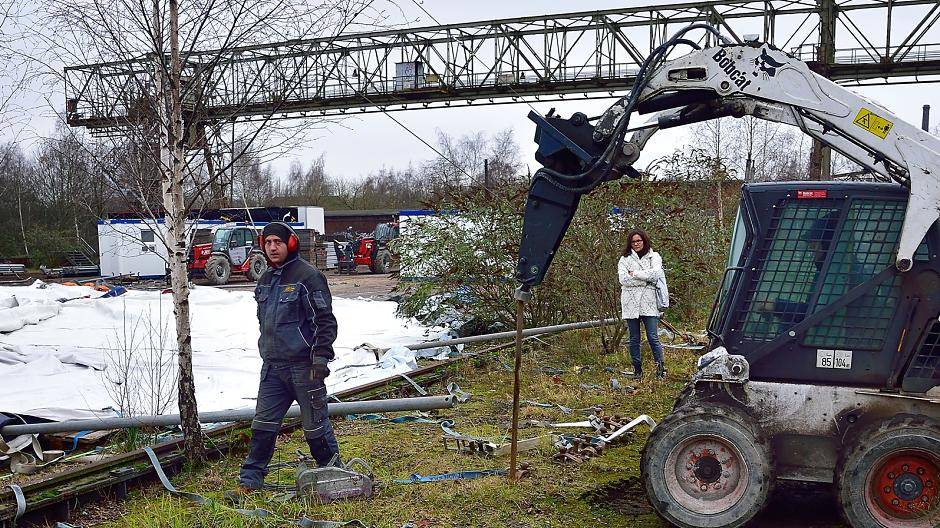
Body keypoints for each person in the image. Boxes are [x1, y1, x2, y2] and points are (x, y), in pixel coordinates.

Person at [236, 221, 340, 494]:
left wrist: (320, 359)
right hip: (272, 369)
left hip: (305, 368)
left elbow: (325, 322)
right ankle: (250, 483)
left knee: (315, 429)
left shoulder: (308, 277)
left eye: (278, 242)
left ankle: (334, 475)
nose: (272, 247)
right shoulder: (266, 280)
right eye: (268, 242)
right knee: (262, 427)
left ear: (290, 244)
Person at [618, 229, 666, 381]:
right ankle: (637, 370)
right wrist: (646, 277)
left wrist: (635, 274)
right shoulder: (624, 259)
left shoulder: (654, 256)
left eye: (639, 240)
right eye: (633, 241)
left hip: (649, 302)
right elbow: (623, 280)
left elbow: (656, 274)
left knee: (653, 337)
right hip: (630, 303)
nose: (636, 244)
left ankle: (660, 370)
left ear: (644, 241)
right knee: (634, 338)